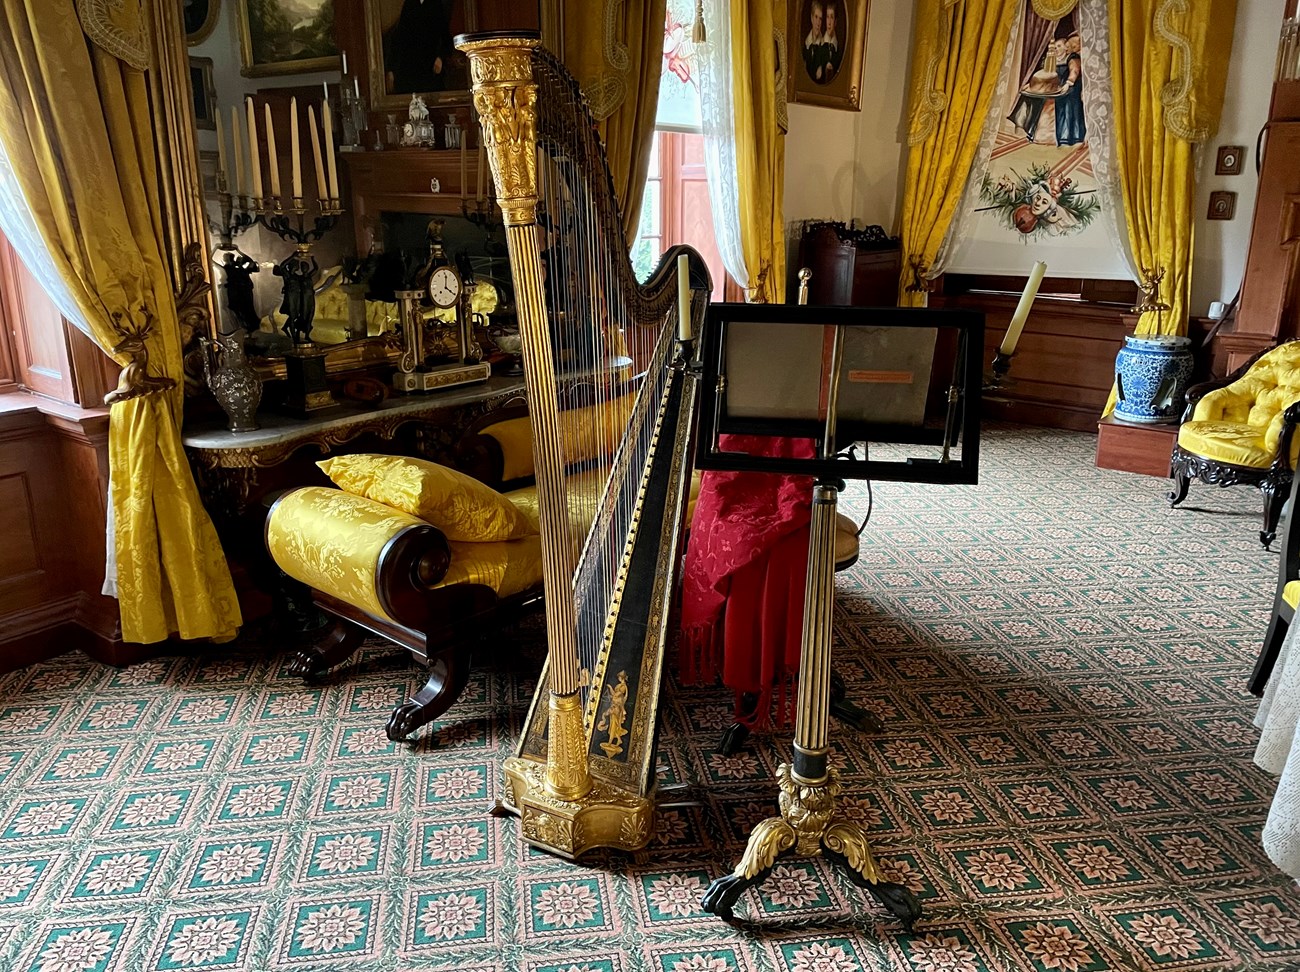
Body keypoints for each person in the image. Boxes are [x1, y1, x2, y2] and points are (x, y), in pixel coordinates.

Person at [383, 0, 454, 94]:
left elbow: (445, 36)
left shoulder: (436, 5)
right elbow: (399, 38)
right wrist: (391, 69)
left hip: (428, 63)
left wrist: (440, 57)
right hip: (408, 64)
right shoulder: (410, 4)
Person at [1054, 35, 1087, 147]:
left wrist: (1068, 83)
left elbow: (1075, 71)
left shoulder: (1072, 58)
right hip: (1061, 90)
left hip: (1071, 89)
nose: (1056, 49)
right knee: (1060, 112)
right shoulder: (1056, 60)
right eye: (1055, 47)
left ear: (1066, 48)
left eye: (1059, 46)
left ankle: (1074, 138)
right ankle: (1061, 139)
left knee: (1071, 112)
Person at [803, 1, 828, 83]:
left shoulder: (825, 46)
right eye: (816, 17)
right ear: (811, 18)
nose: (818, 23)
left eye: (820, 19)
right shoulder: (805, 43)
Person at [822, 1, 843, 83]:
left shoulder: (839, 47)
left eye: (832, 17)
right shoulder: (819, 44)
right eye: (827, 17)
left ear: (835, 21)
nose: (829, 22)